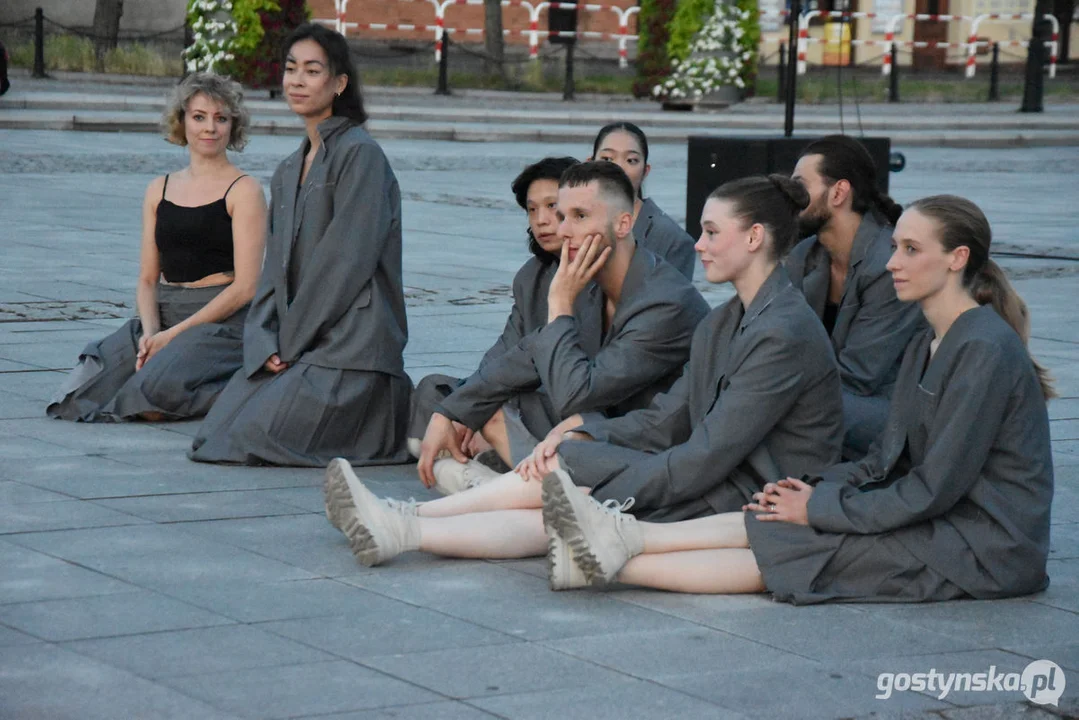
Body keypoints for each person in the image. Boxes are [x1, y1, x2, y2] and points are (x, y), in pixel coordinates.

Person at [321, 174, 843, 581]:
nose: (698, 245)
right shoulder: (725, 320)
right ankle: (402, 527)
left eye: (710, 232)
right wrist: (585, 434)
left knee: (568, 483)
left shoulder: (783, 328)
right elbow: (670, 416)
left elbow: (708, 452)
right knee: (565, 473)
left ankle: (404, 520)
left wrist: (595, 468)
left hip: (759, 490)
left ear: (754, 237)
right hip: (712, 473)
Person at [540, 194, 1055, 604]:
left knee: (805, 548)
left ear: (956, 259)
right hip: (941, 515)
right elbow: (884, 459)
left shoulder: (985, 348)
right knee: (772, 509)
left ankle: (610, 558)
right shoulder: (927, 339)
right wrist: (810, 487)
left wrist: (821, 507)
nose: (891, 262)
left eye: (911, 250)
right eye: (895, 246)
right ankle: (617, 537)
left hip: (985, 543)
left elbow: (932, 489)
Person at [413, 160, 709, 495]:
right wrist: (450, 412)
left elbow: (576, 395)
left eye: (580, 216)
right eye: (563, 215)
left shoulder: (665, 301)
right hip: (592, 421)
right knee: (476, 402)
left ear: (624, 223)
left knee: (563, 435)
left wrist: (559, 304)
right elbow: (526, 354)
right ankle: (511, 490)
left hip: (647, 443)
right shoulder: (592, 275)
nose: (563, 229)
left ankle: (517, 494)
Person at [189, 24, 410, 466]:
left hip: (351, 348)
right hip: (300, 342)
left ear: (339, 83)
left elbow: (344, 265)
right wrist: (264, 342)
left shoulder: (361, 156)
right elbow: (273, 273)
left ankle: (387, 422)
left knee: (249, 436)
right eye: (291, 69)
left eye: (312, 70)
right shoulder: (289, 169)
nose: (297, 80)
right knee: (213, 435)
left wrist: (289, 343)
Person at [47, 73, 266, 422]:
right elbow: (148, 278)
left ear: (232, 126)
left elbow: (246, 288)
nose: (210, 127)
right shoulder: (158, 189)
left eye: (220, 118)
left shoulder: (245, 190)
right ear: (182, 122)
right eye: (199, 117)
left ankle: (253, 386)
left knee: (148, 398)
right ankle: (168, 365)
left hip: (221, 320)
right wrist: (151, 334)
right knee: (82, 391)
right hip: (163, 314)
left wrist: (173, 337)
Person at [787, 135, 925, 459]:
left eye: (799, 186)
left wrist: (773, 383)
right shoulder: (805, 254)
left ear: (838, 192)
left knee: (771, 404)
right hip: (829, 397)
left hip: (888, 415)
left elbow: (859, 375)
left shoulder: (887, 265)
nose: (790, 198)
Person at [590, 122, 696, 280]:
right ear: (590, 164)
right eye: (607, 158)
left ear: (645, 170)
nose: (618, 168)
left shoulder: (672, 240)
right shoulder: (571, 226)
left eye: (631, 160)